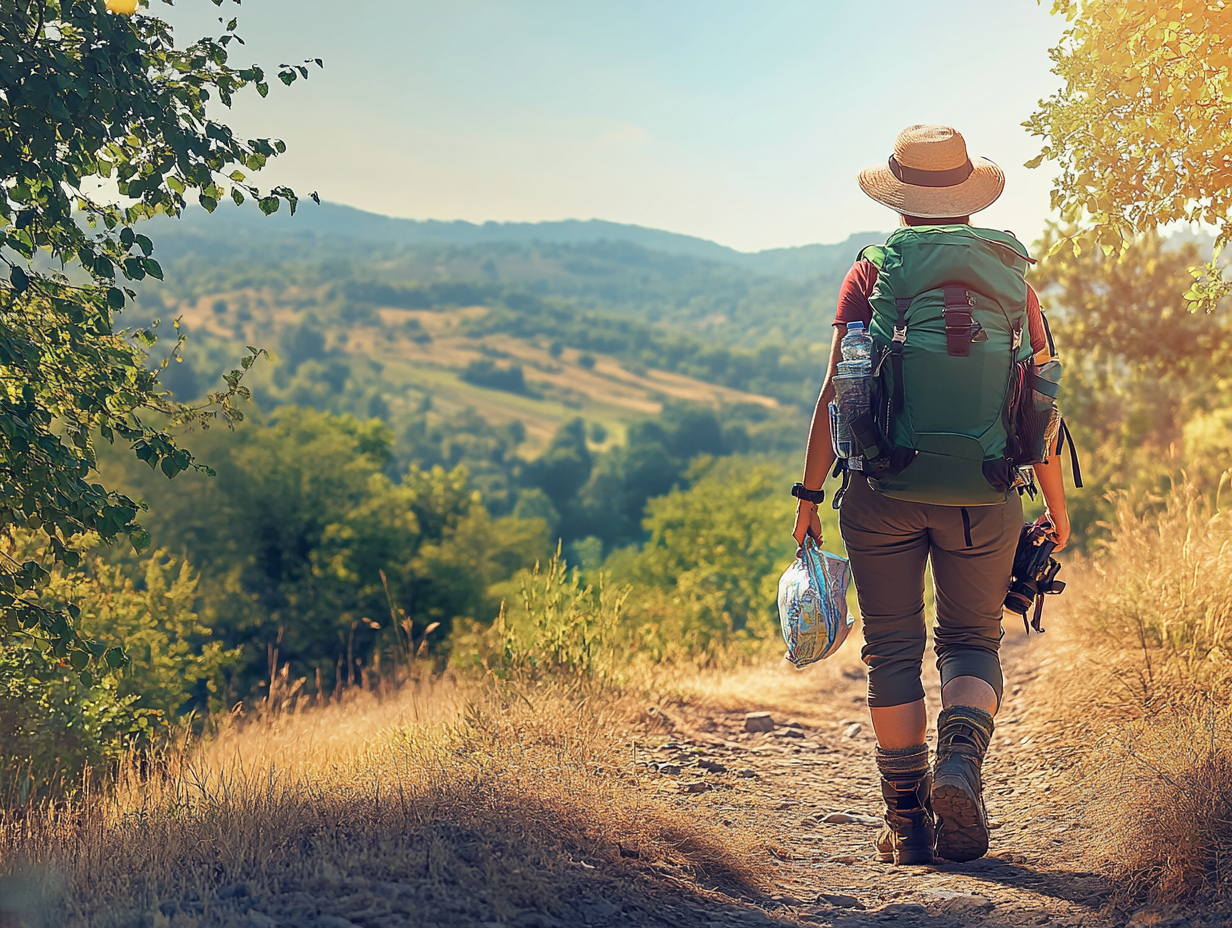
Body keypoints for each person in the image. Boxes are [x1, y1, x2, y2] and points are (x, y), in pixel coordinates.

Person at [791, 125, 1071, 865]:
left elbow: (835, 391)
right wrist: (1056, 508)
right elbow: (1036, 401)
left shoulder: (872, 273)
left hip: (881, 490)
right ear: (967, 196)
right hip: (984, 496)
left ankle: (907, 824)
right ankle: (960, 766)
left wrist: (809, 495)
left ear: (902, 199)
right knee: (972, 641)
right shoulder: (1013, 276)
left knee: (892, 649)